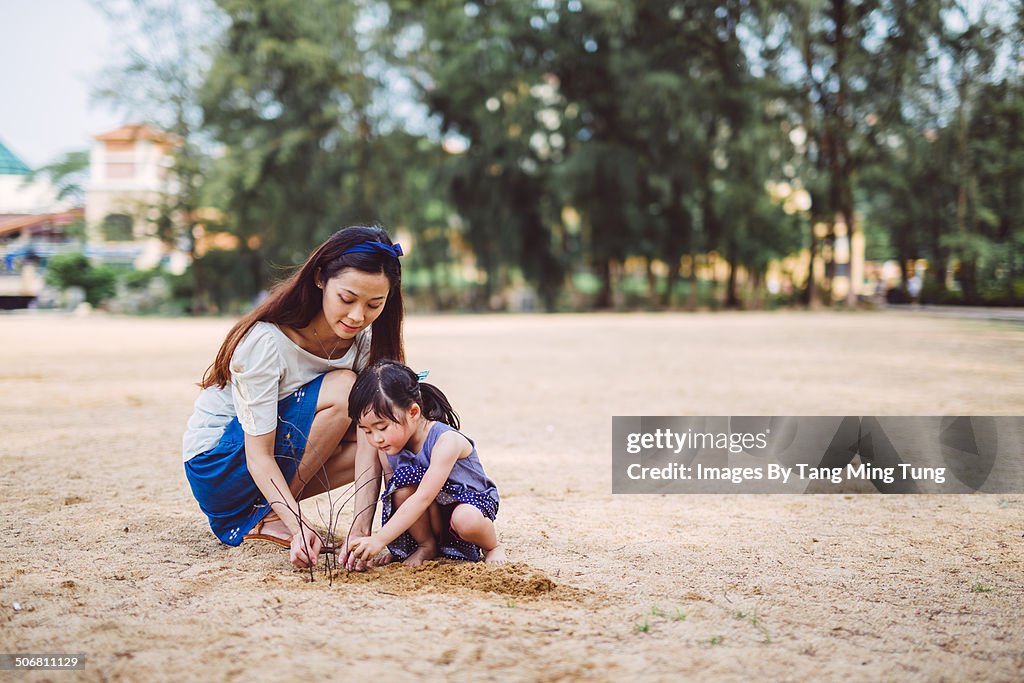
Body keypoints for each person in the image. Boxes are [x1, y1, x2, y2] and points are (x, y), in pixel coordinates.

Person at [182, 225, 403, 569]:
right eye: (347, 299)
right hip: (220, 465)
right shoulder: (266, 341)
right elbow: (259, 455)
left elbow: (372, 437)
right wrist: (297, 522)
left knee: (380, 429)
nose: (358, 316)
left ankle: (271, 511)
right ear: (319, 279)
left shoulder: (364, 340)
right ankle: (270, 515)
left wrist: (362, 529)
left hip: (277, 457)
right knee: (345, 387)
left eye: (374, 304)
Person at [345, 360, 507, 566]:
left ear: (413, 412)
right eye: (367, 431)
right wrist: (398, 546)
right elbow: (394, 498)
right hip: (431, 511)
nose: (376, 439)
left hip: (466, 503)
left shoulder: (446, 441)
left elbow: (423, 497)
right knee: (401, 489)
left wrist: (379, 539)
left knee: (465, 520)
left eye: (382, 427)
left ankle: (492, 546)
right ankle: (425, 545)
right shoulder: (387, 448)